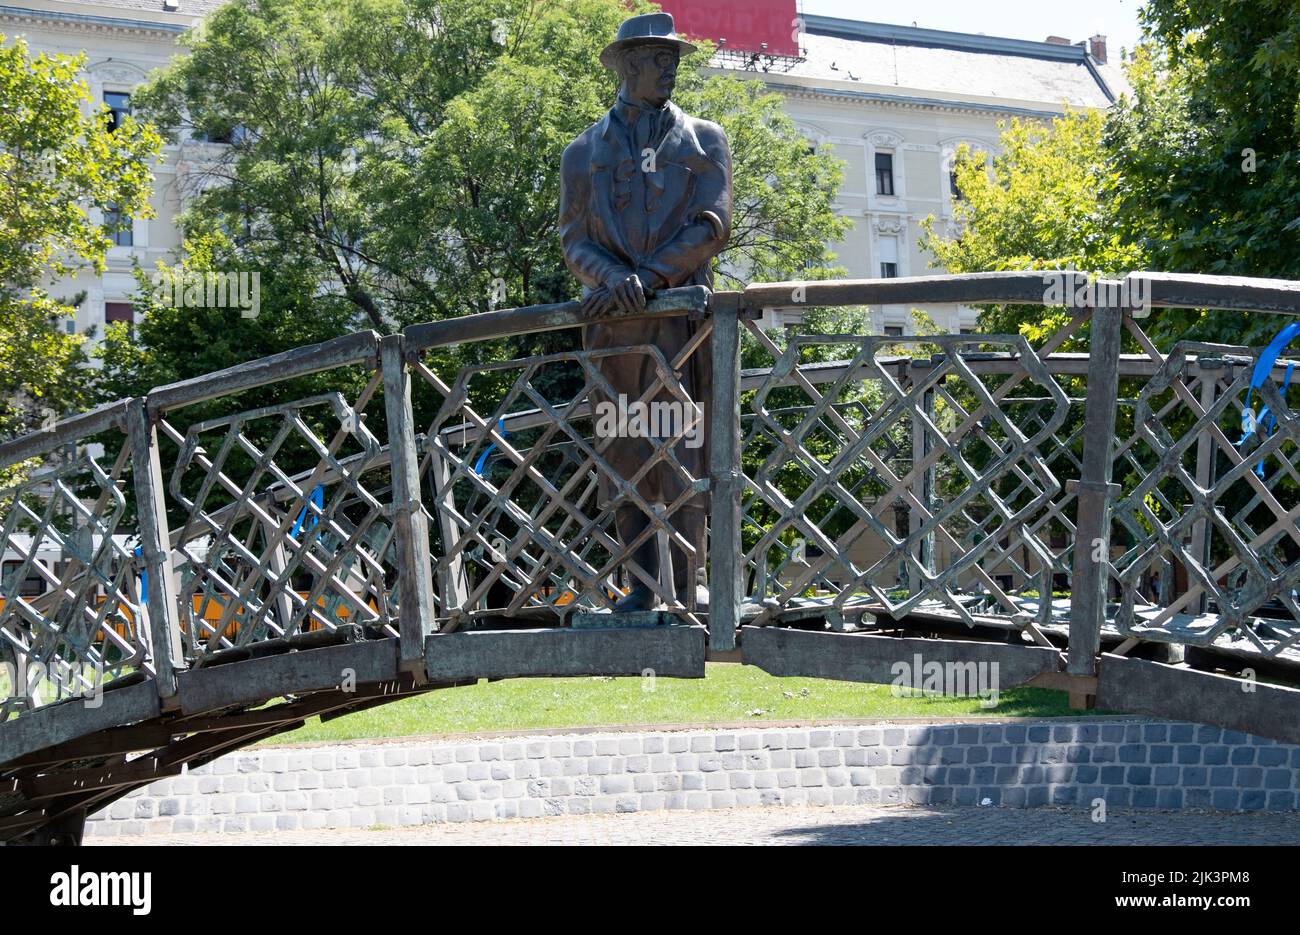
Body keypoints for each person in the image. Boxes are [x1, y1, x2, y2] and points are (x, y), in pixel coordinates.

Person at [558, 12, 733, 612]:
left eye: (675, 60)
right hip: (614, 329)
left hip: (681, 321)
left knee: (685, 452)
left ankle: (687, 586)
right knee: (623, 453)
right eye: (660, 59)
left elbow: (713, 224)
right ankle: (641, 587)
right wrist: (612, 278)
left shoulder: (704, 138)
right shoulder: (582, 151)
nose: (670, 69)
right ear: (628, 63)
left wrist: (650, 279)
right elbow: (572, 238)